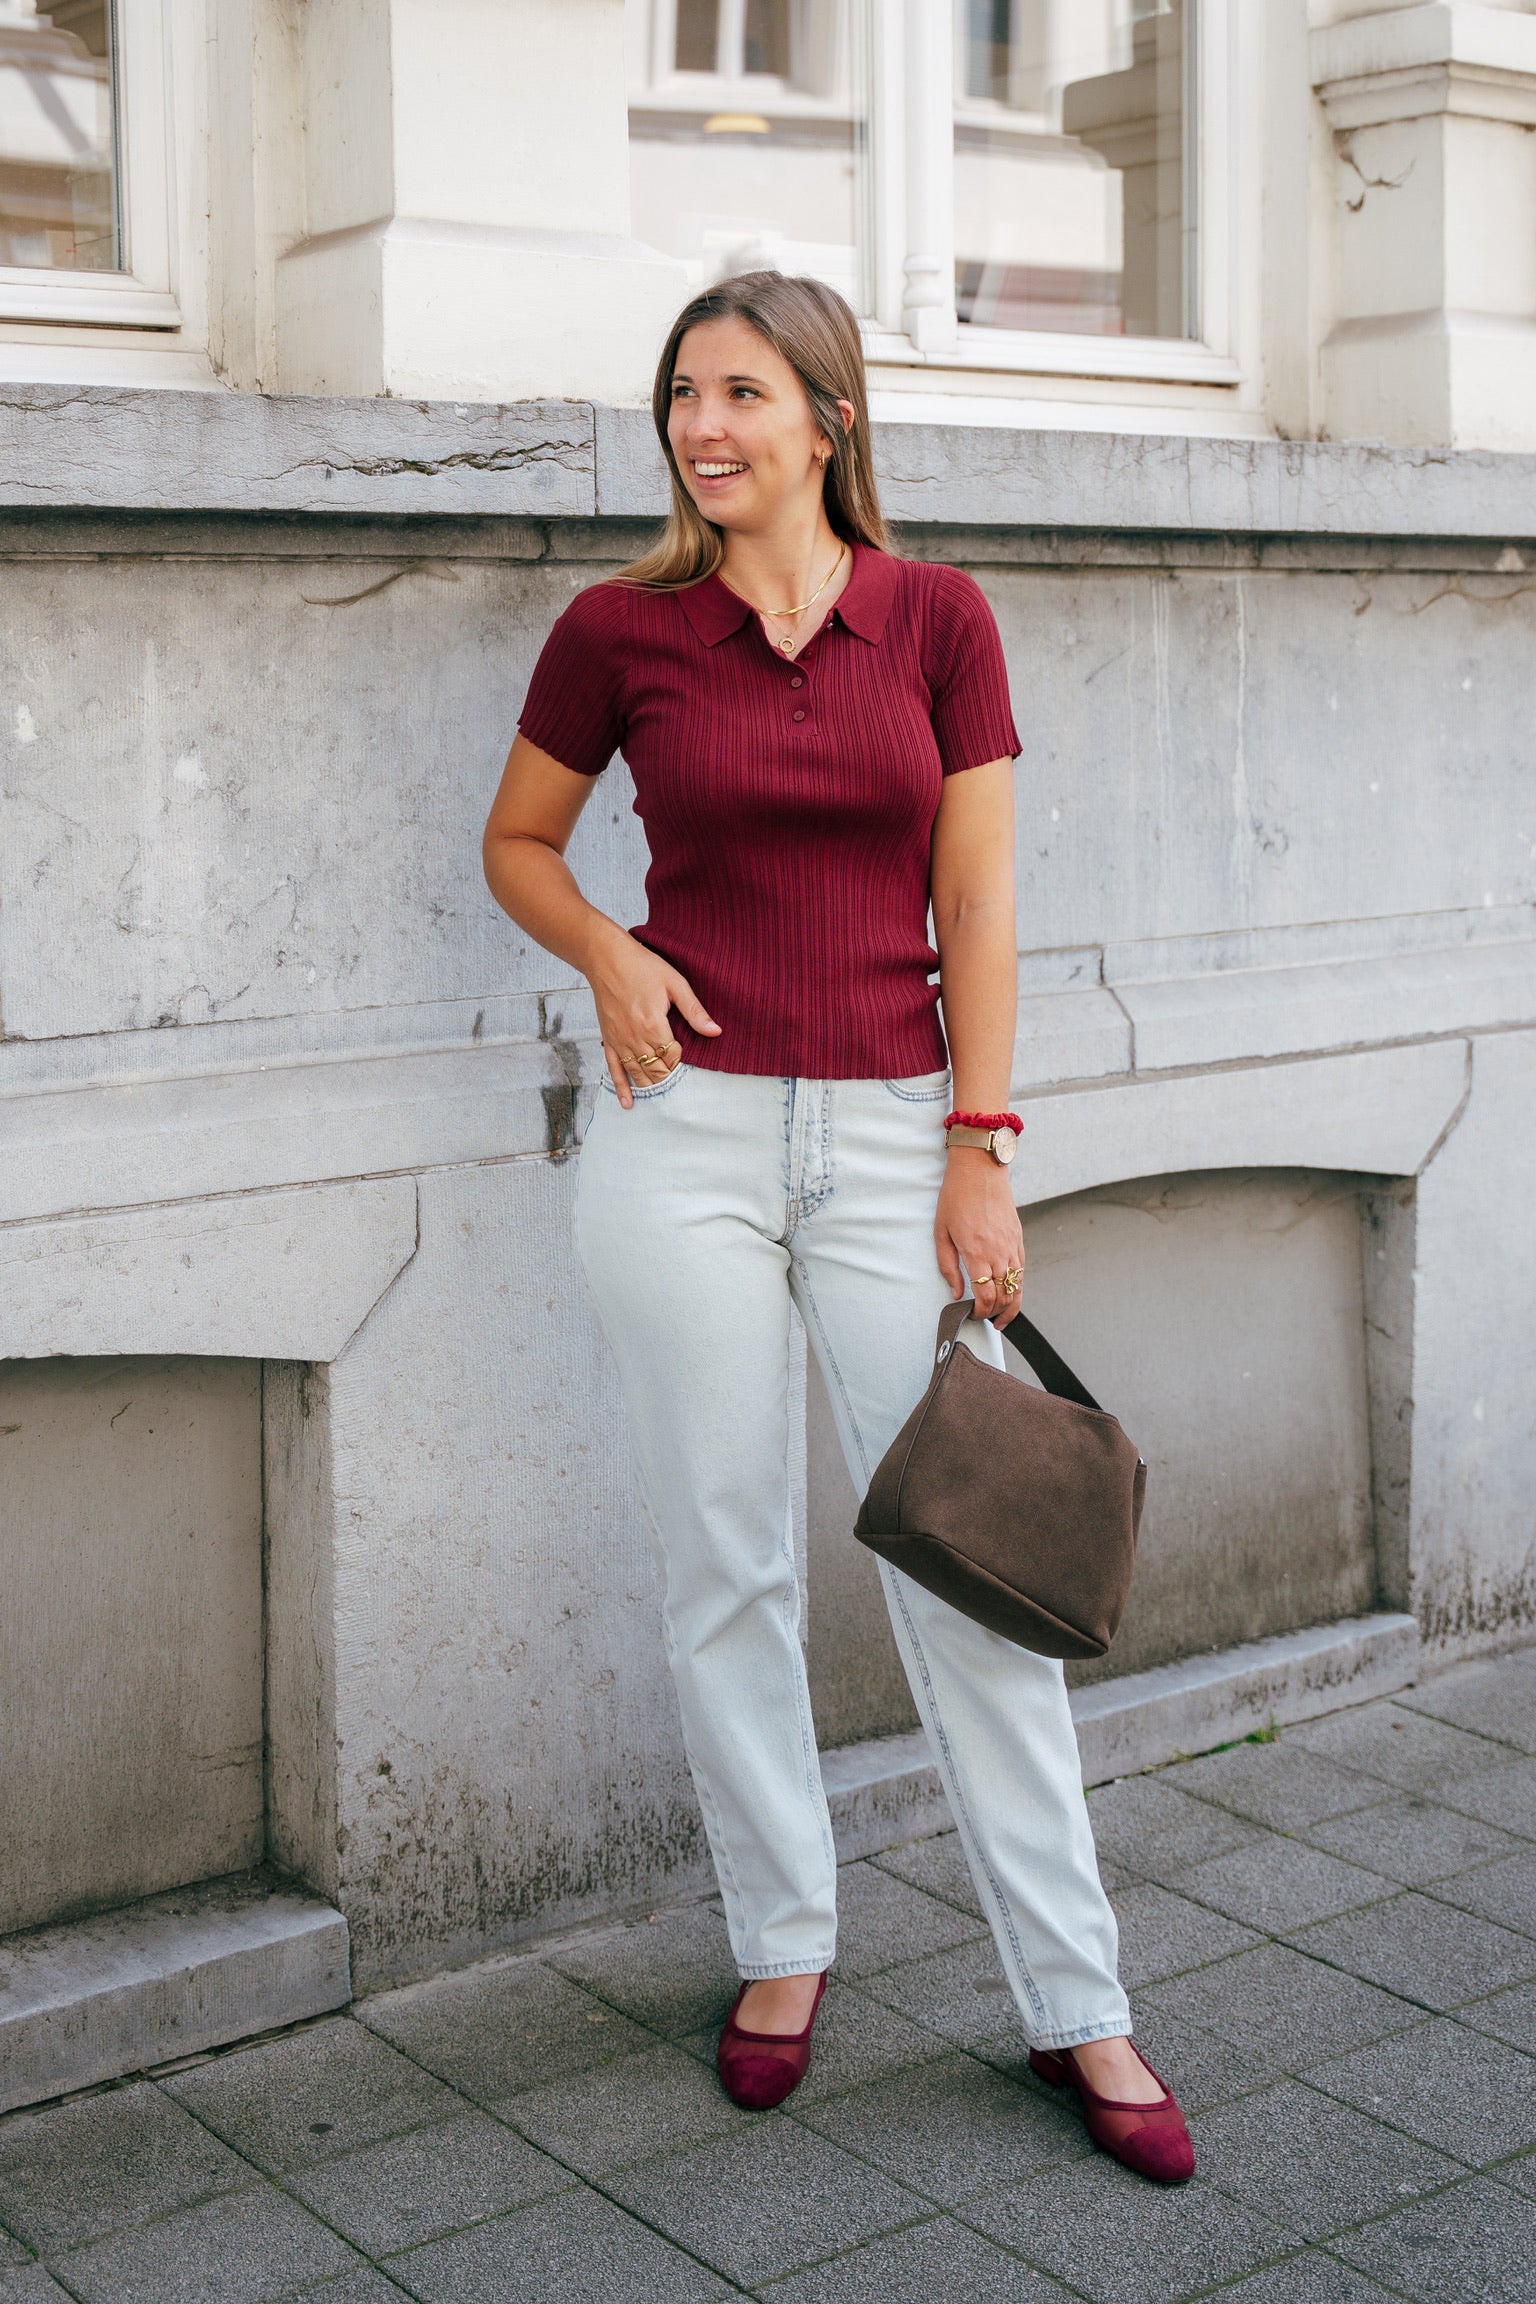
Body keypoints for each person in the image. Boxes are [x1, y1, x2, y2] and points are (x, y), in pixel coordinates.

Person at [482, 271, 1194, 2184]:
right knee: (725, 1566)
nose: (703, 428)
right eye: (681, 398)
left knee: (970, 1571)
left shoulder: (937, 622)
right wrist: (615, 958)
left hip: (895, 1135)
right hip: (680, 1141)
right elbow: (518, 844)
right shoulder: (619, 631)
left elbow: (983, 899)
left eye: (740, 393)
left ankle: (1079, 2000)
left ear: (827, 418)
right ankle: (781, 1946)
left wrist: (983, 1140)